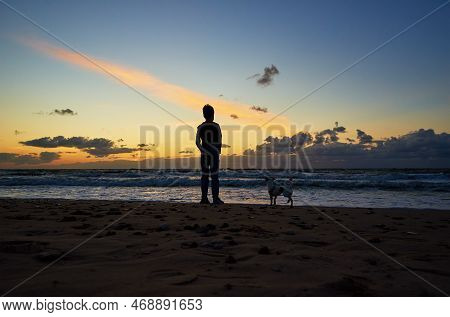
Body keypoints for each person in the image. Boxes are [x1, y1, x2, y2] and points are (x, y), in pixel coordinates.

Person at [196, 104, 224, 205]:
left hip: (204, 154)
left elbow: (197, 142)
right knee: (215, 176)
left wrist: (202, 150)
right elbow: (220, 140)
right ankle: (215, 198)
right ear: (213, 115)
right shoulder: (216, 126)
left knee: (204, 176)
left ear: (204, 115)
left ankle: (204, 198)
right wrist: (217, 151)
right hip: (214, 154)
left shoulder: (200, 127)